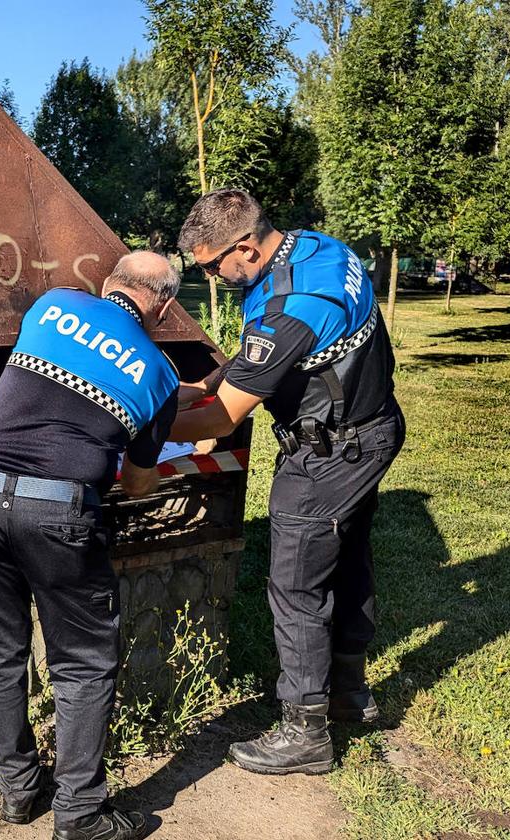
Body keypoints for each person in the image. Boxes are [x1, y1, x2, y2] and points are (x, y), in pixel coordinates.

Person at [170, 189, 405, 775]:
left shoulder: (294, 305)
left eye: (211, 266)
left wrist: (137, 422)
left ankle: (306, 730)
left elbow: (225, 417)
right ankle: (349, 690)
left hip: (330, 451)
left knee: (296, 583)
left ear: (245, 248)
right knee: (347, 553)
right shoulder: (315, 247)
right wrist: (201, 385)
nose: (212, 279)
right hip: (371, 427)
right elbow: (260, 358)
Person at [0, 252, 182, 840]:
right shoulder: (160, 375)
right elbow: (135, 481)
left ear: (108, 284)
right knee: (82, 662)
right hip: (58, 510)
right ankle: (79, 814)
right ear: (164, 304)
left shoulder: (54, 304)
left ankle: (19, 792)